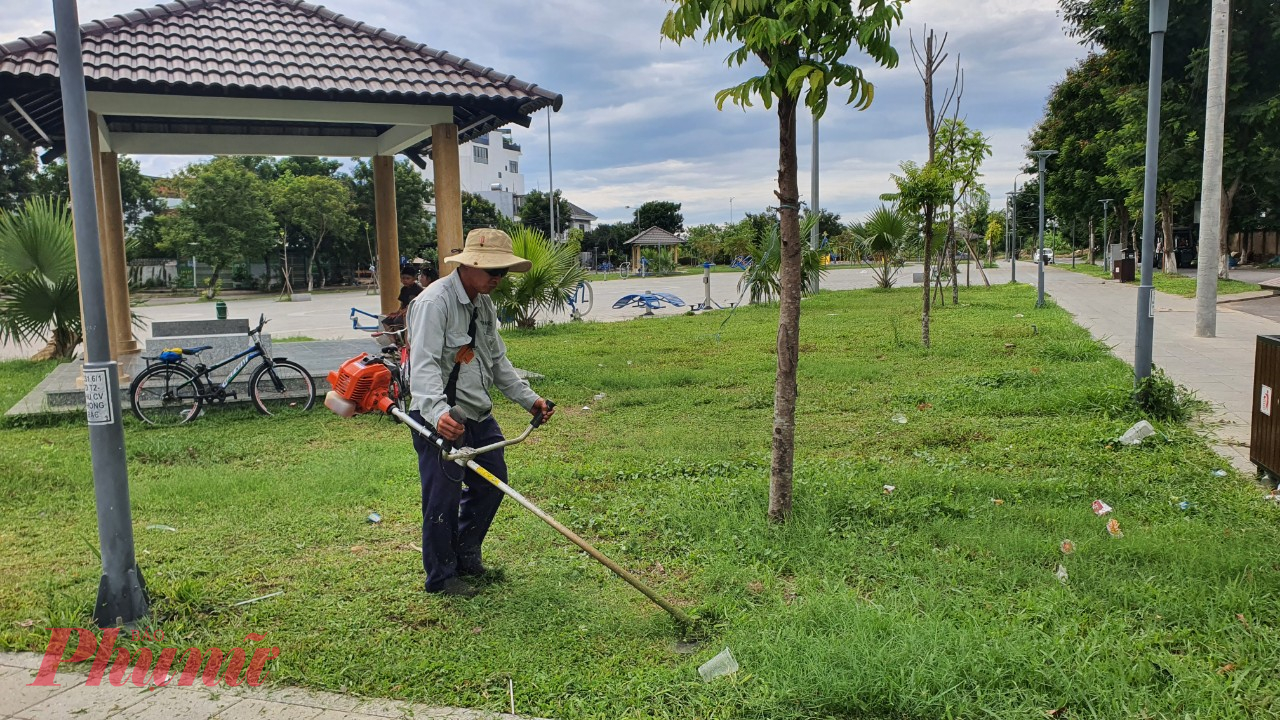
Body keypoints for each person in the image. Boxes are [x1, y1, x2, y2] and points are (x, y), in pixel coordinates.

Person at [406, 229, 554, 597]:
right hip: (440, 416)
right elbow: (421, 367)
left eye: (503, 271)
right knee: (443, 496)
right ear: (468, 265)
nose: (498, 278)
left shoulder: (483, 304)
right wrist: (438, 412)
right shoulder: (433, 303)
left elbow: (497, 360)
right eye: (492, 269)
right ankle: (441, 577)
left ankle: (466, 554)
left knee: (492, 481)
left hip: (477, 412)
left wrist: (528, 399)